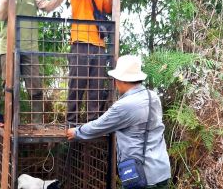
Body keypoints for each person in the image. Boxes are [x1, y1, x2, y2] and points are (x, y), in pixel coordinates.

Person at [0, 0, 78, 126]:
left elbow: (48, 7)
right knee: (10, 87)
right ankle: (11, 123)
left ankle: (37, 122)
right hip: (8, 48)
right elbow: (0, 15)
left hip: (30, 48)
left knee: (36, 87)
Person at [67, 55, 171, 188]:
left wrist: (76, 132)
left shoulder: (124, 105)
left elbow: (99, 126)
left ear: (120, 80)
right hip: (161, 170)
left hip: (142, 177)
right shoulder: (153, 97)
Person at [67, 0, 131, 125]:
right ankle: (71, 121)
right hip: (81, 43)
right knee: (77, 84)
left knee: (96, 86)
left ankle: (92, 121)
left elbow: (110, 7)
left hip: (99, 45)